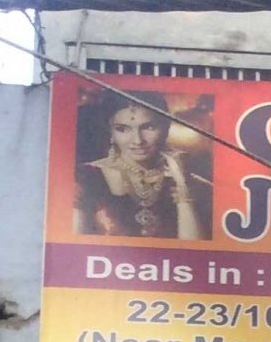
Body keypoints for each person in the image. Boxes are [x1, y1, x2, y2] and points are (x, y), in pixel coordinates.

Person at [75, 92, 207, 240]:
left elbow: (192, 250)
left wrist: (183, 188)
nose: (137, 141)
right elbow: (72, 246)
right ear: (110, 132)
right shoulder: (84, 178)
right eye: (123, 129)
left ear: (166, 128)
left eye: (148, 127)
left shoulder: (196, 185)